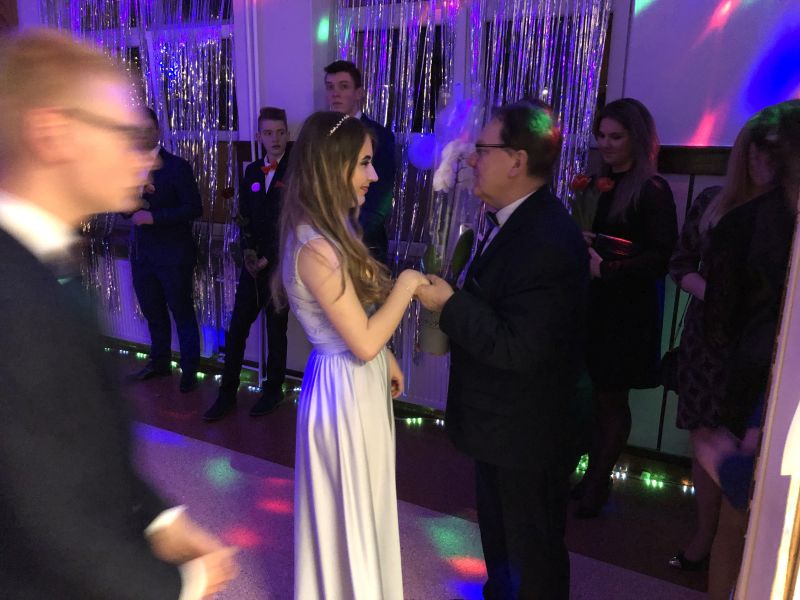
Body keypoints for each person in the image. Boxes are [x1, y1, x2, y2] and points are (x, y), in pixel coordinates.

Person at [0, 29, 236, 598]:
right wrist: (182, 584)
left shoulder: (44, 260)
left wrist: (158, 519)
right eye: (127, 135)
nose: (146, 157)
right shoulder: (11, 292)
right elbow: (42, 519)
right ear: (54, 133)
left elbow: (79, 444)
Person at [416, 100, 589, 599]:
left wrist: (449, 304)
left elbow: (520, 345)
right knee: (505, 548)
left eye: (483, 149)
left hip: (529, 432)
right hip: (505, 427)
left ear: (516, 160)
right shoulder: (510, 221)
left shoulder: (546, 237)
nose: (472, 158)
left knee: (530, 557)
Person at [271, 111, 429, 599]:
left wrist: (386, 358)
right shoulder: (317, 247)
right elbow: (360, 341)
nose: (374, 175)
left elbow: (356, 322)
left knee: (365, 498)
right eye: (364, 163)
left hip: (355, 378)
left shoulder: (331, 230)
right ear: (332, 166)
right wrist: (407, 285)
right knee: (351, 504)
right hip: (343, 389)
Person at [667, 122, 777, 571]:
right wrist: (718, 295)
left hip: (760, 342)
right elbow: (679, 263)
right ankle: (704, 535)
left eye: (773, 153)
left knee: (745, 441)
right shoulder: (713, 202)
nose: (762, 161)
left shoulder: (785, 216)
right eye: (755, 151)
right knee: (705, 437)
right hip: (708, 338)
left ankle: (741, 547)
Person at [702, 99, 800, 600]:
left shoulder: (745, 222)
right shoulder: (745, 216)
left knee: (741, 519)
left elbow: (721, 316)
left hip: (757, 372)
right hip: (764, 375)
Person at [574, 98, 678, 518]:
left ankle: (598, 482)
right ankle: (591, 477)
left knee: (611, 399)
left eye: (615, 136)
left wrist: (607, 268)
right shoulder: (596, 183)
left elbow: (661, 257)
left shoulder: (653, 189)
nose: (606, 144)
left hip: (627, 310)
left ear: (637, 137)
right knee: (595, 398)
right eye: (601, 136)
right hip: (595, 305)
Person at [203, 107, 292, 421]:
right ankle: (227, 393)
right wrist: (247, 254)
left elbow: (293, 221)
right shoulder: (253, 170)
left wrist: (270, 256)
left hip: (279, 268)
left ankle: (273, 389)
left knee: (276, 332)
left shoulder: (296, 172)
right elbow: (243, 217)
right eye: (268, 133)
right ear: (259, 137)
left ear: (287, 134)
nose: (275, 138)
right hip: (252, 268)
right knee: (237, 328)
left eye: (280, 132)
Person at [128, 107, 203, 393]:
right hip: (142, 255)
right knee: (153, 312)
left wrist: (154, 217)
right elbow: (125, 210)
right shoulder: (129, 168)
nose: (143, 134)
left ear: (157, 130)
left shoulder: (177, 166)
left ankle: (190, 370)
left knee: (182, 313)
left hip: (173, 255)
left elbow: (194, 208)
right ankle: (159, 362)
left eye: (148, 128)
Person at [324, 60, 396, 264]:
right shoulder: (323, 135)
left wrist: (347, 239)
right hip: (327, 239)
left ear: (359, 93)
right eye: (330, 87)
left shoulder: (379, 135)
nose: (335, 93)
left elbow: (380, 200)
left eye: (343, 86)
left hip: (364, 245)